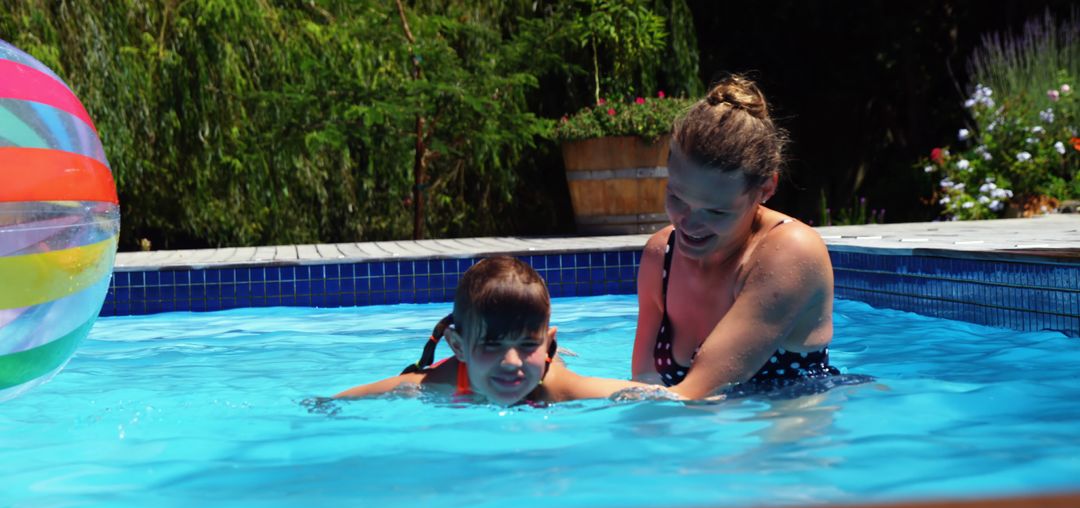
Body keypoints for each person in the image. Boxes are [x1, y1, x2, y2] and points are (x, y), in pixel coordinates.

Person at [631, 74, 839, 400]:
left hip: (789, 432)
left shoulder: (792, 252)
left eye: (715, 212)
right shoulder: (660, 256)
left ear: (766, 188)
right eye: (677, 199)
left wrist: (561, 385)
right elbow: (644, 385)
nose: (687, 222)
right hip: (703, 427)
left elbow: (693, 392)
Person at [336, 256, 667, 406]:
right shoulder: (443, 384)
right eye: (492, 344)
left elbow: (634, 393)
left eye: (526, 343)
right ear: (458, 346)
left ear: (547, 343)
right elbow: (348, 398)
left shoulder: (554, 386)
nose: (511, 362)